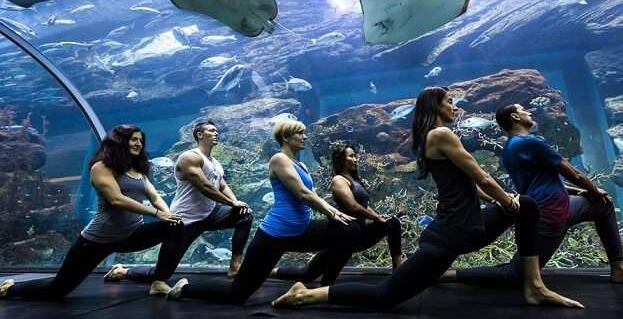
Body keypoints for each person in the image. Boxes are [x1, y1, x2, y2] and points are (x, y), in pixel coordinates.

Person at [271, 87, 583, 309]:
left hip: (468, 227)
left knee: (527, 205)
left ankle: (534, 286)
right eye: (450, 102)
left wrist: (505, 201)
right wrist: (505, 201)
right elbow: (482, 177)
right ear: (435, 107)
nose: (456, 107)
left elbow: (468, 185)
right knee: (385, 296)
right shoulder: (441, 136)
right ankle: (305, 294)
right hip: (450, 235)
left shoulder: (439, 137)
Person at [440, 103, 623, 286]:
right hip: (548, 214)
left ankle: (620, 268)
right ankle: (447, 275)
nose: (530, 113)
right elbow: (572, 172)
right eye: (525, 110)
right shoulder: (531, 142)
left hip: (560, 204)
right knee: (517, 275)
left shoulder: (510, 148)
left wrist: (582, 192)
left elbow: (545, 181)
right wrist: (593, 189)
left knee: (603, 206)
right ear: (515, 117)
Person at [165, 119, 361, 303]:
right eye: (300, 133)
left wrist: (334, 212)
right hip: (274, 235)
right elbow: (302, 194)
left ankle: (324, 287)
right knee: (237, 294)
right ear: (286, 137)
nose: (305, 136)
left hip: (301, 230)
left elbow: (314, 195)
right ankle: (185, 288)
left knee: (350, 230)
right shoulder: (279, 159)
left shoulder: (301, 165)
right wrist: (332, 214)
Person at [0, 125, 182, 300]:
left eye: (141, 140)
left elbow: (154, 196)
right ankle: (10, 289)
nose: (139, 144)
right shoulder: (100, 167)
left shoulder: (138, 170)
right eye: (134, 140)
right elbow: (116, 199)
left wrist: (169, 216)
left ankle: (159, 281)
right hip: (98, 241)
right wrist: (157, 214)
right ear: (119, 141)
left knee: (176, 227)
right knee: (57, 290)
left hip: (131, 235)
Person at [102, 120, 253, 291]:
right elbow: (204, 187)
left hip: (211, 213)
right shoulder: (190, 157)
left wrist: (236, 203)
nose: (216, 133)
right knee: (161, 275)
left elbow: (222, 185)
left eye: (217, 130)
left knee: (244, 214)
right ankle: (123, 271)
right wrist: (231, 202)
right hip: (186, 220)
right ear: (199, 135)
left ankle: (235, 266)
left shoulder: (215, 163)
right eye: (211, 130)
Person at [271, 143, 403, 284]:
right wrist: (375, 217)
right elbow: (352, 206)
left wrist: (378, 217)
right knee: (307, 275)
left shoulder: (355, 180)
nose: (355, 159)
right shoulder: (338, 180)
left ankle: (398, 271)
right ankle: (269, 272)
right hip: (343, 236)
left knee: (392, 223)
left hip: (360, 233)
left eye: (355, 156)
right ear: (341, 160)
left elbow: (363, 206)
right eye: (351, 156)